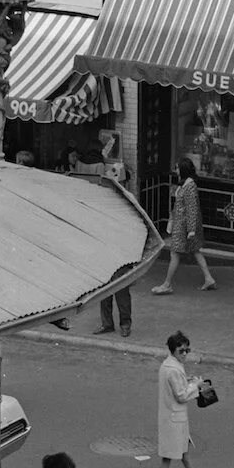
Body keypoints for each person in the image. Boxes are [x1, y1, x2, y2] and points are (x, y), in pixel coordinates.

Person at [153, 330, 206, 468]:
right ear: (173, 350)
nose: (185, 354)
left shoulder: (169, 365)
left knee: (182, 448)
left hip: (172, 416)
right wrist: (196, 385)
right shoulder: (173, 369)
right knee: (169, 455)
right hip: (174, 418)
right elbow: (181, 395)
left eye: (186, 350)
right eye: (181, 351)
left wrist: (187, 381)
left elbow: (176, 387)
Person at [152, 158, 215, 294]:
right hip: (183, 225)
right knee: (196, 250)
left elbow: (192, 209)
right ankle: (208, 278)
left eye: (178, 168)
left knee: (175, 253)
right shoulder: (186, 184)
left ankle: (167, 284)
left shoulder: (189, 187)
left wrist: (191, 230)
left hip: (183, 226)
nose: (176, 170)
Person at [96, 140, 135, 337]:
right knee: (104, 292)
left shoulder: (129, 204)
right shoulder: (107, 202)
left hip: (121, 255)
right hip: (106, 251)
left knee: (121, 291)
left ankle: (125, 323)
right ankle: (107, 323)